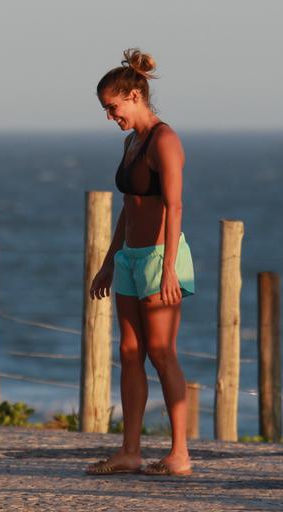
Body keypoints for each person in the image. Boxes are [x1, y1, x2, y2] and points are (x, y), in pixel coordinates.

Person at [85, 48, 195, 477]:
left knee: (162, 352)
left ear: (134, 95)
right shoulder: (132, 142)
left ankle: (180, 454)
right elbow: (129, 206)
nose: (110, 116)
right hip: (131, 257)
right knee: (129, 351)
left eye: (112, 107)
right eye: (105, 110)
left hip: (159, 258)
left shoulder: (165, 140)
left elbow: (175, 206)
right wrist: (110, 260)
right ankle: (129, 451)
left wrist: (168, 268)